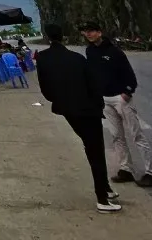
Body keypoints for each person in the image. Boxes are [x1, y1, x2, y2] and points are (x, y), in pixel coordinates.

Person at [35, 24, 121, 214]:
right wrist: (98, 106)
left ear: (47, 37)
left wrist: (60, 99)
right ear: (64, 36)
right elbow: (94, 86)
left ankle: (105, 188)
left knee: (90, 147)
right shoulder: (77, 58)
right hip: (87, 110)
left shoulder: (42, 58)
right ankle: (102, 199)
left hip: (66, 110)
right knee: (95, 151)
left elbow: (45, 89)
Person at [83, 22, 152, 188]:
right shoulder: (90, 52)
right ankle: (126, 169)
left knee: (137, 135)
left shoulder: (114, 52)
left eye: (91, 31)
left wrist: (126, 92)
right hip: (104, 99)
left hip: (120, 98)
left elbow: (129, 75)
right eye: (86, 32)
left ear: (99, 32)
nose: (88, 34)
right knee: (116, 136)